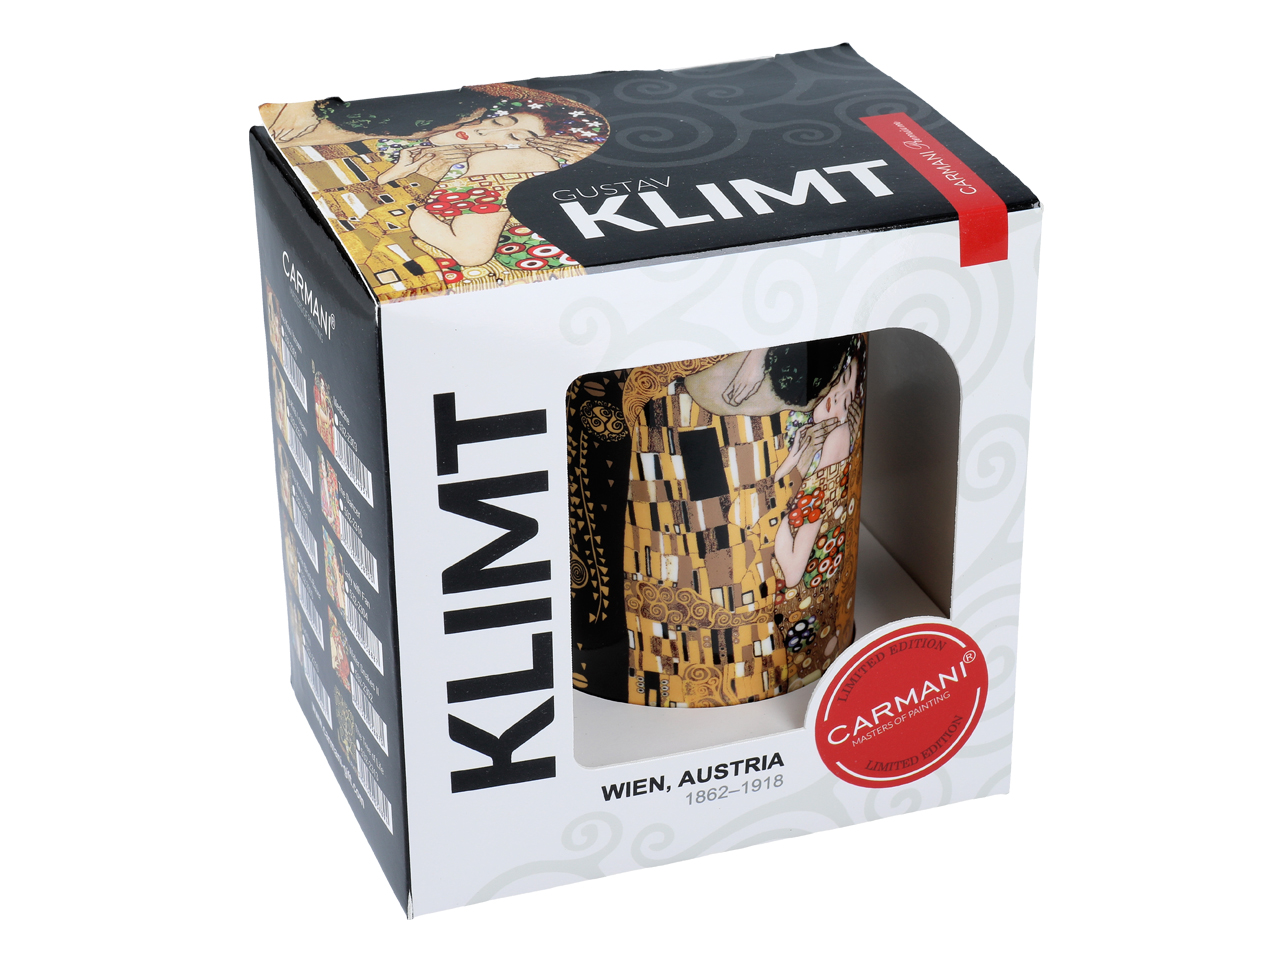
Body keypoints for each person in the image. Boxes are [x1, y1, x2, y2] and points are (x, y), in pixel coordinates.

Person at [617, 335, 866, 707]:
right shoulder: (680, 417)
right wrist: (793, 472)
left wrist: (793, 471)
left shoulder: (791, 432)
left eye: (843, 397)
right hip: (693, 600)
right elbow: (715, 520)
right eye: (836, 390)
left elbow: (752, 520)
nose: (834, 404)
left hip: (744, 610)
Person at [261, 84, 608, 298]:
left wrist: (409, 194)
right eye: (497, 122)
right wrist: (399, 179)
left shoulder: (512, 160)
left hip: (477, 293)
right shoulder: (395, 149)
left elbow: (470, 251)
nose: (487, 133)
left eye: (515, 137)